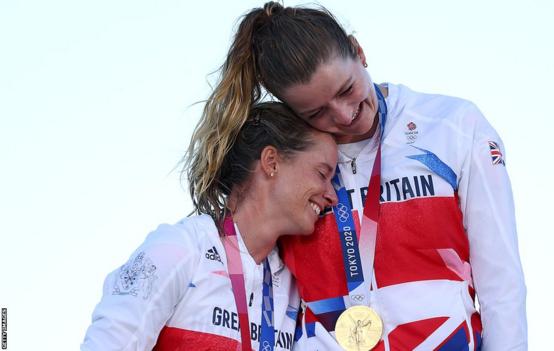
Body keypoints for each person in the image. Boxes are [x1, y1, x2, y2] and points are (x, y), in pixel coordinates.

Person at [213, 2, 528, 350]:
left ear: (358, 51)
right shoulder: (288, 164)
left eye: (346, 89)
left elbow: (501, 283)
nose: (345, 115)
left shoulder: (453, 126)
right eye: (317, 112)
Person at [81, 102, 339, 350]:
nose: (332, 195)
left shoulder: (291, 282)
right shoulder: (179, 249)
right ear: (271, 161)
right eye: (321, 174)